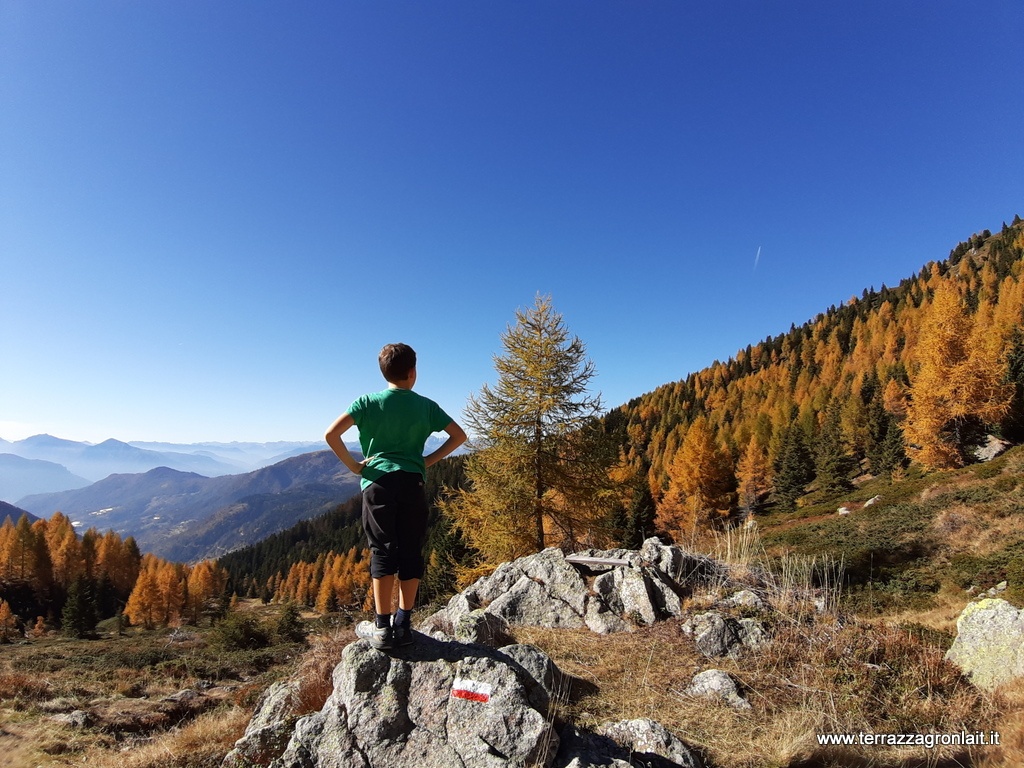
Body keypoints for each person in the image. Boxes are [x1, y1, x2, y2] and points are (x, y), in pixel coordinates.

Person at [325, 343, 466, 649]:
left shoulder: (366, 402)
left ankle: (382, 627)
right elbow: (459, 436)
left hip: (378, 484)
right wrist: (426, 461)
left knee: (383, 551)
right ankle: (404, 624)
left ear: (383, 371)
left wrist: (354, 467)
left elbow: (331, 435)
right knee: (411, 550)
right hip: (412, 483)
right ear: (413, 372)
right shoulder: (426, 406)